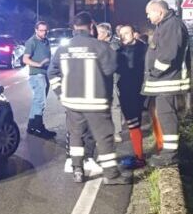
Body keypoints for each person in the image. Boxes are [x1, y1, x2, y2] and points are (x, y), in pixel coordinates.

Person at [48, 12, 130, 184]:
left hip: (71, 102)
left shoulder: (63, 48)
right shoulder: (99, 46)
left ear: (74, 28)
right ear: (91, 26)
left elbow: (52, 73)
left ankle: (78, 170)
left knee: (76, 135)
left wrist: (60, 93)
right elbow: (110, 68)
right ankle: (111, 175)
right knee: (104, 136)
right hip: (95, 101)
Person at [143, 0, 191, 167]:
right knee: (165, 115)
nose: (148, 17)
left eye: (149, 13)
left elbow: (168, 55)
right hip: (165, 80)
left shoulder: (171, 25)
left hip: (168, 81)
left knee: (167, 115)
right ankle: (169, 151)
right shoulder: (166, 25)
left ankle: (170, 154)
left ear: (160, 12)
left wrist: (153, 72)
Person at [116, 24, 147, 169]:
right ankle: (139, 156)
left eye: (126, 33)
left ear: (134, 34)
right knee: (133, 124)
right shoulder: (119, 51)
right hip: (126, 92)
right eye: (121, 34)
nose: (123, 36)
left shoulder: (144, 49)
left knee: (135, 124)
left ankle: (140, 157)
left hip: (142, 91)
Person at [22, 21, 57, 138]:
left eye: (46, 30)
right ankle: (38, 127)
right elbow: (25, 59)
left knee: (37, 101)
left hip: (45, 74)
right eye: (41, 30)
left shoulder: (45, 41)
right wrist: (39, 64)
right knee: (40, 101)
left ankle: (32, 126)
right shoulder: (31, 42)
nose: (44, 32)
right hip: (37, 75)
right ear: (36, 30)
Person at [97, 23, 123, 142]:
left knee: (115, 106)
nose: (97, 35)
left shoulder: (115, 44)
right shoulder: (98, 44)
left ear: (106, 33)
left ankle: (116, 132)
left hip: (112, 80)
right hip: (100, 80)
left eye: (99, 32)